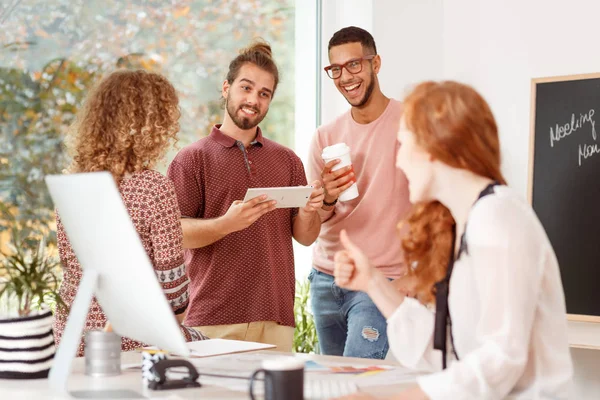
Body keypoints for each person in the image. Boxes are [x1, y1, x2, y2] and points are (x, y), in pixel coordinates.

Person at [333, 81, 573, 399]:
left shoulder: (498, 216)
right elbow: (447, 352)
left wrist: (395, 398)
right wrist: (373, 282)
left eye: (403, 144)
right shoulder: (467, 222)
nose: (399, 161)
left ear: (434, 146)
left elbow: (501, 357)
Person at [167, 40, 324, 352]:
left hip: (275, 318)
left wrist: (309, 212)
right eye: (246, 88)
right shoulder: (191, 159)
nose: (254, 100)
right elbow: (176, 234)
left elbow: (305, 237)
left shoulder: (288, 160)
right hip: (212, 318)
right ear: (226, 88)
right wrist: (226, 223)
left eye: (264, 94)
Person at [54, 70, 208, 356]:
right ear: (153, 126)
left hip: (70, 337)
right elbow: (173, 295)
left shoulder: (73, 185)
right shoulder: (153, 188)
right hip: (131, 342)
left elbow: (72, 269)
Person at [307, 26, 411, 359]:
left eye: (354, 65)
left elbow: (435, 206)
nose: (345, 77)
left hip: (380, 279)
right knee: (336, 383)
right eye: (335, 69)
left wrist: (418, 276)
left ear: (375, 63)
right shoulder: (325, 137)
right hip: (326, 278)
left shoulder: (410, 123)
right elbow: (313, 222)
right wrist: (327, 198)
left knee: (357, 378)